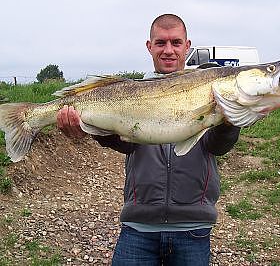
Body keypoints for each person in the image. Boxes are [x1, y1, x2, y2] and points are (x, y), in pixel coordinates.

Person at [57, 14, 240, 265]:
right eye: (160, 42)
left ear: (187, 46)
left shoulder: (209, 91)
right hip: (138, 228)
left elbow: (218, 147)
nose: (168, 50)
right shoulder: (131, 91)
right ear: (149, 46)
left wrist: (229, 121)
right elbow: (127, 144)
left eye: (176, 42)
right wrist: (90, 129)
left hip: (193, 229)